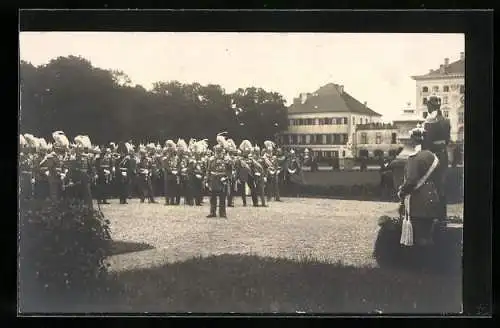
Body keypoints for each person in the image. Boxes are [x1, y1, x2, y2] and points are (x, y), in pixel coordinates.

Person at [397, 127, 442, 246]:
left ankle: (420, 263)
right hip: (432, 198)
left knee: (419, 237)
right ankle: (431, 262)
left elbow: (411, 181)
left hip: (418, 202)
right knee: (428, 235)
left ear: (412, 141)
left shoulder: (414, 158)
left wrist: (402, 191)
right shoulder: (433, 157)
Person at [422, 94, 451, 222]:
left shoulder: (429, 122)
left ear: (430, 105)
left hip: (432, 157)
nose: (427, 107)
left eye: (428, 105)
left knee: (430, 185)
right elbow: (447, 140)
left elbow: (427, 142)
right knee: (441, 186)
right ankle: (442, 216)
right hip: (443, 155)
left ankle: (432, 215)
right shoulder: (446, 121)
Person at [205, 144, 230, 218]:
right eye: (217, 151)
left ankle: (222, 213)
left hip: (222, 180)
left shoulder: (226, 160)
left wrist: (226, 177)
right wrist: (207, 180)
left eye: (219, 151)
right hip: (213, 180)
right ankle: (212, 212)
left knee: (222, 198)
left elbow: (229, 171)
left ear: (222, 152)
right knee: (212, 198)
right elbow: (208, 170)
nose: (218, 153)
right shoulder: (211, 159)